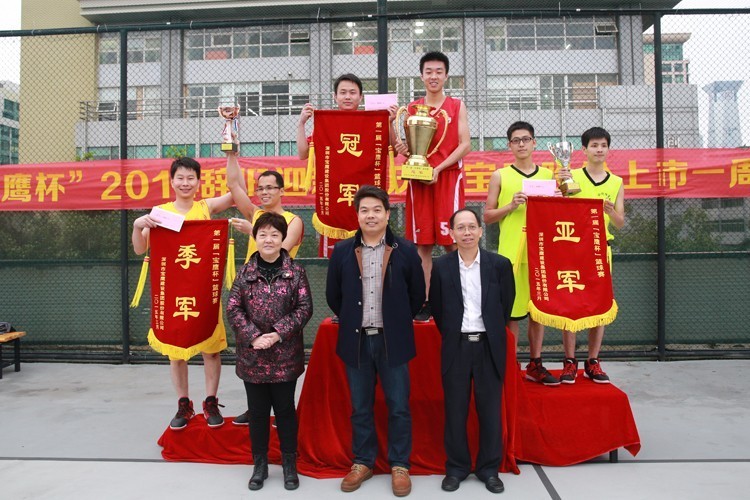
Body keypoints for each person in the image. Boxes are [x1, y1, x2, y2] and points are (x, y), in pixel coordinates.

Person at [326, 185, 425, 497]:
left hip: (392, 341)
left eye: (377, 210)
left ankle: (400, 465)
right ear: (357, 215)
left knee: (398, 406)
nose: (371, 215)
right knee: (360, 407)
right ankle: (363, 462)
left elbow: (417, 295)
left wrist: (396, 319)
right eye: (364, 210)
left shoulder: (405, 250)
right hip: (356, 341)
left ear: (387, 214)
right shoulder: (343, 251)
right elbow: (333, 295)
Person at [132, 157, 235, 429]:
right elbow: (140, 249)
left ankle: (210, 401)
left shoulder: (205, 207)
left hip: (203, 292)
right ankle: (183, 404)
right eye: (180, 178)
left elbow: (236, 193)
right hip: (173, 292)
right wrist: (137, 226)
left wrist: (232, 153)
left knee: (211, 351)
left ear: (199, 182)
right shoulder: (160, 213)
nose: (185, 183)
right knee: (176, 352)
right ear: (171, 181)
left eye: (191, 178)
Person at [226, 212, 313, 491]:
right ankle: (260, 465)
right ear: (255, 238)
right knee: (258, 412)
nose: (268, 239)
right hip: (253, 357)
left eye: (275, 234)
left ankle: (289, 464)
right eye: (262, 234)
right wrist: (253, 337)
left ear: (283, 238)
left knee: (285, 410)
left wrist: (277, 333)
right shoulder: (244, 273)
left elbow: (304, 309)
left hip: (285, 356)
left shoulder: (296, 272)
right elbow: (233, 308)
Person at [429, 208, 514, 494]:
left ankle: (489, 469)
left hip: (489, 346)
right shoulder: (441, 267)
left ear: (480, 230)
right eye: (460, 228)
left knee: (490, 411)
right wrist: (455, 334)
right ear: (451, 233)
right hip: (457, 346)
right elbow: (437, 308)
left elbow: (506, 305)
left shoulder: (499, 265)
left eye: (471, 227)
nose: (466, 232)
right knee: (455, 410)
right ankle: (456, 468)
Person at [225, 149, 304, 427]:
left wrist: (254, 232)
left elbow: (280, 249)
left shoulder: (293, 220)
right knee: (253, 354)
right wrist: (231, 152)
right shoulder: (255, 213)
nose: (265, 192)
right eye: (260, 188)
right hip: (252, 297)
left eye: (270, 187)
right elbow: (233, 185)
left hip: (282, 300)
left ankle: (282, 414)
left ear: (281, 190)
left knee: (281, 360)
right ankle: (255, 408)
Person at [483, 121, 560, 386]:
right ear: (509, 145)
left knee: (538, 312)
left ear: (534, 143)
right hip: (510, 255)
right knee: (512, 315)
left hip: (540, 252)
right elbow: (487, 216)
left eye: (526, 139)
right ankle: (510, 365)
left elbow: (556, 217)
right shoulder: (500, 175)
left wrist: (558, 201)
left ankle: (535, 364)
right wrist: (510, 205)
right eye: (516, 140)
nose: (521, 144)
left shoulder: (548, 175)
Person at [396, 51, 470, 322]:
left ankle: (462, 298)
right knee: (422, 244)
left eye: (439, 71)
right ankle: (424, 300)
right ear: (421, 75)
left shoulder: (456, 106)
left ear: (446, 75)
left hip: (447, 178)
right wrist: (400, 145)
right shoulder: (411, 109)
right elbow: (407, 148)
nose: (434, 76)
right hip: (419, 181)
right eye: (429, 71)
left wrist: (438, 168)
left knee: (453, 242)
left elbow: (465, 144)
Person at [298, 73, 398, 257]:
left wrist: (390, 123)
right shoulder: (326, 122)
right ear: (335, 96)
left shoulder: (373, 121)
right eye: (343, 92)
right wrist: (301, 124)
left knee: (371, 257)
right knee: (336, 261)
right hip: (335, 197)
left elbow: (394, 150)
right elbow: (303, 153)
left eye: (352, 92)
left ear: (361, 97)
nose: (347, 97)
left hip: (365, 195)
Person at [557, 127, 625, 384]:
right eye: (594, 145)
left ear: (608, 149)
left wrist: (611, 211)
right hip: (572, 248)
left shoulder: (616, 182)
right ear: (584, 150)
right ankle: (569, 360)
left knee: (600, 304)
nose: (599, 149)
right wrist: (559, 185)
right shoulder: (571, 175)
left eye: (603, 145)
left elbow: (619, 222)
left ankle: (593, 361)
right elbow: (559, 207)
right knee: (570, 301)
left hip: (600, 250)